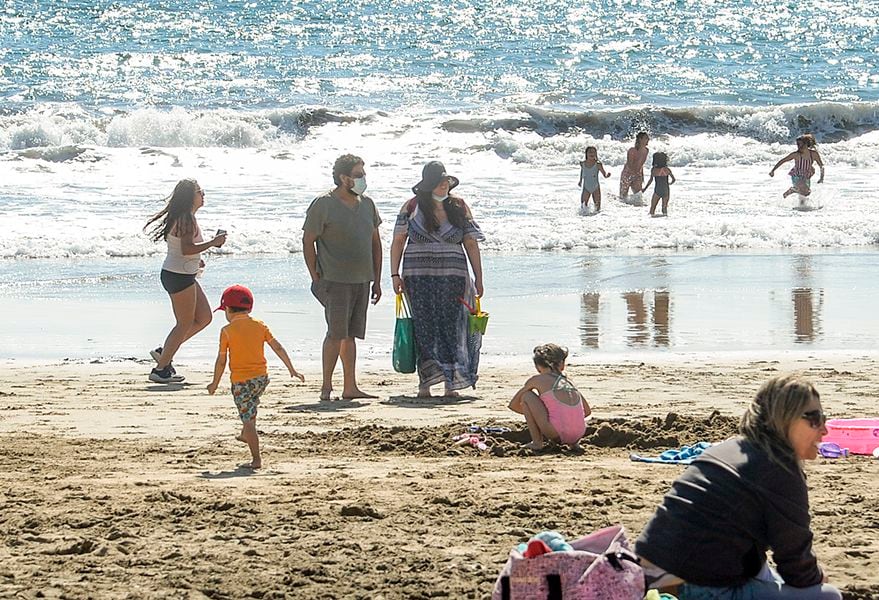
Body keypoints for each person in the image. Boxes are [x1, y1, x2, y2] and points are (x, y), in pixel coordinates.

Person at [636, 374, 842, 600]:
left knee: (766, 575)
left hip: (647, 577)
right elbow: (796, 565)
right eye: (814, 418)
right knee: (827, 596)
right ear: (784, 419)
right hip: (691, 586)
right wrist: (817, 579)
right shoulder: (780, 468)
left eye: (823, 417)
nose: (824, 429)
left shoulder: (729, 448)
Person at [390, 161, 484, 398]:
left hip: (454, 277)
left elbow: (471, 242)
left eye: (446, 182)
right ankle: (425, 384)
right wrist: (394, 274)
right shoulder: (412, 206)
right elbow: (398, 241)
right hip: (418, 279)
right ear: (428, 184)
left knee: (454, 327)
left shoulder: (459, 206)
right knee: (425, 328)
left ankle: (451, 384)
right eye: (439, 181)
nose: (445, 185)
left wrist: (479, 277)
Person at [302, 154, 382, 401]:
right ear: (343, 178)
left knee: (351, 335)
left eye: (363, 174)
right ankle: (326, 387)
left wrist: (377, 279)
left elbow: (376, 243)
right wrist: (315, 275)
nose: (363, 179)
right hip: (334, 279)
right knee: (335, 333)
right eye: (358, 175)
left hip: (362, 279)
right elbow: (308, 240)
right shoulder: (323, 204)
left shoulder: (367, 204)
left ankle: (350, 387)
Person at [206, 285, 304, 470]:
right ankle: (245, 433)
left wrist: (214, 383)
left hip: (241, 382)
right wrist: (291, 369)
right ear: (249, 308)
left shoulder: (227, 331)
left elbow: (221, 361)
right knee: (250, 408)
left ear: (227, 309)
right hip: (261, 379)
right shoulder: (260, 325)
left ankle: (256, 459)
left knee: (248, 419)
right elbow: (278, 347)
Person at [144, 178, 227, 383]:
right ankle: (161, 369)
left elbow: (183, 250)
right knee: (184, 323)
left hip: (181, 273)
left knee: (205, 317)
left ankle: (165, 351)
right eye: (200, 191)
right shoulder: (186, 218)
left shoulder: (186, 217)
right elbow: (186, 249)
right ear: (191, 196)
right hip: (177, 275)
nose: (203, 195)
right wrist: (213, 242)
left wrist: (197, 261)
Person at [508, 344, 591, 451]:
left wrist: (537, 415)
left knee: (526, 396)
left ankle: (537, 442)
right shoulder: (568, 382)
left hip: (555, 432)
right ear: (562, 364)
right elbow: (587, 411)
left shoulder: (537, 379)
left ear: (538, 366)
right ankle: (574, 444)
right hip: (578, 434)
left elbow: (513, 405)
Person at [770, 134, 825, 199]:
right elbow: (783, 160)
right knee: (804, 191)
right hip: (797, 175)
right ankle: (793, 190)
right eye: (797, 145)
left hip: (806, 176)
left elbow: (821, 166)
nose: (799, 147)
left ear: (806, 144)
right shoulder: (796, 154)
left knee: (805, 195)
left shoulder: (813, 154)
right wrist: (773, 170)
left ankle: (799, 201)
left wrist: (821, 178)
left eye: (800, 144)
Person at [578, 146, 611, 212]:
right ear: (586, 154)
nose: (591, 154)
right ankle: (584, 218)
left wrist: (607, 175)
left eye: (593, 152)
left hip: (595, 187)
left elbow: (604, 174)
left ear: (596, 154)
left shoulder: (598, 164)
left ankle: (597, 218)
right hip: (586, 187)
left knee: (597, 207)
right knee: (583, 206)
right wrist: (580, 181)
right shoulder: (583, 163)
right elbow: (582, 172)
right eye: (590, 152)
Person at [642, 152, 676, 217]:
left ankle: (650, 219)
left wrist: (645, 189)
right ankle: (665, 219)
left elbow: (650, 181)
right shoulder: (667, 170)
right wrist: (669, 183)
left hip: (657, 190)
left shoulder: (654, 170)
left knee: (652, 208)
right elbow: (673, 180)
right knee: (664, 208)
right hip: (666, 190)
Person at [619, 131, 650, 201]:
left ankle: (636, 211)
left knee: (638, 197)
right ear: (640, 139)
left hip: (637, 174)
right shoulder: (632, 150)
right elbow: (630, 165)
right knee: (623, 198)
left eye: (648, 138)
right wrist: (634, 175)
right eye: (646, 138)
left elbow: (641, 164)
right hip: (627, 174)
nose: (648, 140)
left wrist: (642, 175)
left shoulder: (646, 150)